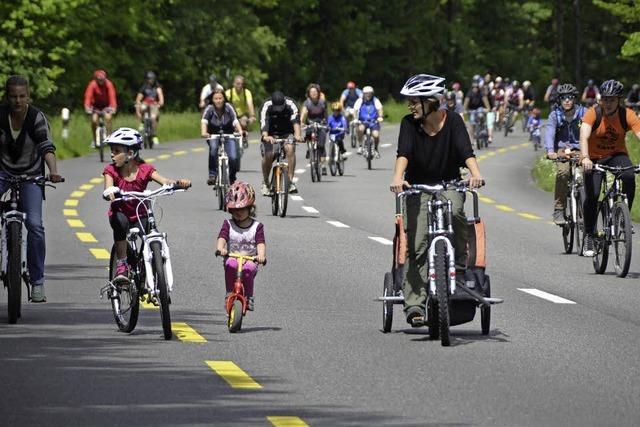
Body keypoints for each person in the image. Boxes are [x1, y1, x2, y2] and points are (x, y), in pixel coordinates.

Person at [390, 74, 483, 326]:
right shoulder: (409, 123)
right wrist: (398, 178)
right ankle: (415, 305)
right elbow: (403, 153)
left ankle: (459, 267)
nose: (410, 106)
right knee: (417, 244)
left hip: (449, 183)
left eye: (414, 101)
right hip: (417, 188)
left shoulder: (453, 121)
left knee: (456, 213)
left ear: (431, 102)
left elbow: (466, 151)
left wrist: (475, 174)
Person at [0, 75, 63, 302]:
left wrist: (53, 171)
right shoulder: (0, 114)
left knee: (35, 225)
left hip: (31, 175)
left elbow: (46, 146)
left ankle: (37, 281)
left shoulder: (36, 117)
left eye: (22, 96)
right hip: (3, 173)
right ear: (7, 97)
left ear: (28, 96)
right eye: (13, 96)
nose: (17, 101)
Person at [102, 128, 190, 282]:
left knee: (150, 231)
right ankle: (122, 264)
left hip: (140, 214)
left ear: (130, 153)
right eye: (111, 150)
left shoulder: (145, 170)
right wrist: (110, 191)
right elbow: (108, 186)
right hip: (121, 214)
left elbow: (164, 181)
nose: (111, 154)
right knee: (119, 222)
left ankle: (153, 269)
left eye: (116, 151)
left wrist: (178, 183)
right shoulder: (111, 171)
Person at [579, 79, 640, 256]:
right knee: (593, 194)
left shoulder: (627, 115)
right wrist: (584, 158)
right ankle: (589, 235)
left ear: (619, 100)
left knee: (629, 176)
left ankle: (623, 219)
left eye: (612, 99)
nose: (607, 103)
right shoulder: (593, 113)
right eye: (605, 99)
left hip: (616, 155)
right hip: (593, 158)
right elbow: (584, 136)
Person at [216, 181, 266, 311]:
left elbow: (260, 242)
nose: (238, 213)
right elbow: (222, 237)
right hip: (232, 257)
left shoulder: (257, 227)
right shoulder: (228, 224)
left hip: (250, 259)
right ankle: (229, 293)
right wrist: (221, 248)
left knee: (248, 270)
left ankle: (249, 297)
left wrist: (261, 255)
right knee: (230, 265)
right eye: (235, 210)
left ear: (250, 208)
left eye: (242, 209)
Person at [544, 84, 585, 225]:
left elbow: (593, 131)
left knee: (587, 172)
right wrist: (550, 151)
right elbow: (549, 133)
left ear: (575, 99)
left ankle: (586, 206)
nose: (567, 101)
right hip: (562, 150)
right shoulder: (555, 115)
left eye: (570, 97)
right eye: (563, 98)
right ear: (559, 100)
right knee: (563, 173)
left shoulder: (583, 113)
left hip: (581, 149)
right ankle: (559, 209)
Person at [259, 91, 302, 195]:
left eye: (281, 108)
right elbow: (264, 123)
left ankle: (290, 182)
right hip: (270, 134)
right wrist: (266, 136)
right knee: (269, 154)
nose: (278, 110)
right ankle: (265, 182)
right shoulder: (266, 105)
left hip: (287, 133)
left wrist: (297, 135)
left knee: (290, 148)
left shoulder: (291, 104)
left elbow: (295, 121)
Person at [201, 88, 243, 186]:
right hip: (213, 135)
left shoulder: (229, 107)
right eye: (216, 99)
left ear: (224, 99)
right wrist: (204, 132)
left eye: (220, 98)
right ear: (212, 100)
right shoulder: (209, 108)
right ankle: (212, 175)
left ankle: (232, 176)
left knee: (233, 157)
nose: (218, 101)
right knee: (213, 149)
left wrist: (240, 131)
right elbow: (204, 121)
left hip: (229, 134)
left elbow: (235, 120)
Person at [83, 69, 117, 147]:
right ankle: (95, 140)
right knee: (94, 120)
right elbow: (88, 97)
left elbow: (112, 97)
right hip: (95, 107)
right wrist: (87, 107)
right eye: (99, 80)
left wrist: (113, 107)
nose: (101, 81)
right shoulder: (92, 85)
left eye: (102, 79)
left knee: (108, 118)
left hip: (106, 107)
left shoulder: (109, 84)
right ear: (96, 79)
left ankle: (109, 137)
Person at [300, 83, 329, 174]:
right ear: (309, 93)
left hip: (321, 124)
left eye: (315, 92)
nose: (313, 93)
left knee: (321, 145)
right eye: (311, 92)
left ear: (318, 93)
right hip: (311, 124)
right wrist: (301, 122)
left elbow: (326, 114)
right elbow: (304, 112)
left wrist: (327, 124)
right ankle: (310, 150)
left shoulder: (322, 102)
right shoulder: (307, 102)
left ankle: (323, 165)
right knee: (308, 135)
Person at [225, 75, 256, 148]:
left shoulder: (246, 92)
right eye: (238, 83)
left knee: (243, 122)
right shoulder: (229, 93)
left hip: (243, 115)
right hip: (232, 115)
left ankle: (244, 137)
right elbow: (224, 105)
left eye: (242, 84)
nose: (240, 85)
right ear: (234, 84)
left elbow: (250, 104)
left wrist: (252, 116)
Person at [135, 71, 164, 146]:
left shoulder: (157, 87)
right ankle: (142, 122)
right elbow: (139, 97)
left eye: (152, 79)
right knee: (139, 107)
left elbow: (160, 97)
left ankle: (154, 135)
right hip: (145, 103)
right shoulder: (144, 87)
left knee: (153, 118)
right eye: (149, 79)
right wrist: (138, 102)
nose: (150, 80)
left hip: (154, 104)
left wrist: (160, 102)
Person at [354, 86, 384, 157]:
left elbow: (380, 109)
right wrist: (355, 118)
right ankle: (360, 145)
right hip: (363, 121)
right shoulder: (360, 100)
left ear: (372, 94)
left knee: (376, 135)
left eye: (369, 93)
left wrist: (380, 117)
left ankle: (376, 149)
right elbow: (355, 110)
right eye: (366, 93)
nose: (368, 95)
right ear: (363, 94)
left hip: (373, 122)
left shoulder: (375, 100)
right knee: (360, 129)